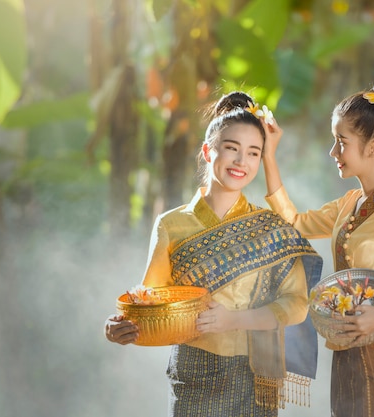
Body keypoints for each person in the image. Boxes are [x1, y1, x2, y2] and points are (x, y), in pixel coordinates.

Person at [104, 91, 323, 417]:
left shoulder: (270, 227)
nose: (241, 162)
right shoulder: (171, 224)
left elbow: (297, 304)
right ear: (208, 151)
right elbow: (152, 300)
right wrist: (120, 326)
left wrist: (234, 320)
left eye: (253, 153)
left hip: (253, 375)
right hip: (192, 371)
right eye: (232, 148)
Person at [262, 74, 374, 417]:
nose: (334, 152)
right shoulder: (348, 205)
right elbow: (295, 223)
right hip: (346, 354)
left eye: (341, 141)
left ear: (373, 148)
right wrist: (269, 155)